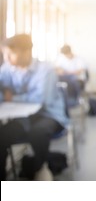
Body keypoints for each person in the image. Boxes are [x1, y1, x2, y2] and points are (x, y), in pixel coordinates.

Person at [0, 34, 68, 180]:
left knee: (38, 132)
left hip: (48, 115)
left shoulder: (46, 70)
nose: (6, 58)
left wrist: (13, 98)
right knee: (2, 135)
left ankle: (38, 167)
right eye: (4, 54)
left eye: (10, 54)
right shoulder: (7, 69)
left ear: (26, 52)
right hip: (22, 118)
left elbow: (42, 99)